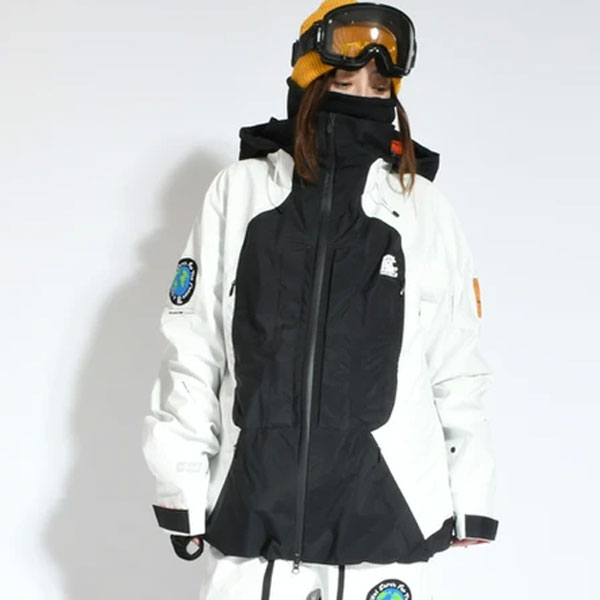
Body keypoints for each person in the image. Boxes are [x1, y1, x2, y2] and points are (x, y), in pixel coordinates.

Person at [141, 1, 499, 598]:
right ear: (308, 81)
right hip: (254, 518)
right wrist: (181, 485)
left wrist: (471, 492)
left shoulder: (422, 206)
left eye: (379, 87)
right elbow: (194, 345)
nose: (363, 96)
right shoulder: (242, 191)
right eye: (344, 80)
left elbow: (455, 360)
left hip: (384, 518)